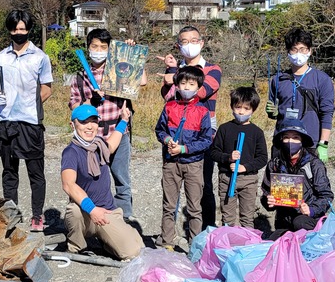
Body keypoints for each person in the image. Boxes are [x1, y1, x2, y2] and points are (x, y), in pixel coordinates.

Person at [69, 28, 147, 220]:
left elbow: (142, 81)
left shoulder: (119, 68)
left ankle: (124, 219)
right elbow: (75, 109)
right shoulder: (80, 77)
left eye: (104, 47)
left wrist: (131, 54)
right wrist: (91, 101)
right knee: (91, 180)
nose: (98, 50)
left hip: (118, 132)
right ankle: (92, 220)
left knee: (122, 179)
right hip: (91, 137)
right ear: (87, 48)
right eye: (94, 46)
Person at [0, 10, 53, 231]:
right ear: (10, 30)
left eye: (23, 29)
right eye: (15, 29)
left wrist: (30, 104)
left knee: (35, 172)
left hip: (30, 122)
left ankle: (37, 216)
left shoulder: (40, 57)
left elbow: (47, 88)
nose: (19, 33)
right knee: (9, 171)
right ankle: (11, 214)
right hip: (6, 121)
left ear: (29, 30)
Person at [159, 25, 223, 226]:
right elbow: (167, 96)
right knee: (172, 186)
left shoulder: (213, 69)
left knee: (203, 185)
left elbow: (202, 91)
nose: (190, 45)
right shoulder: (174, 71)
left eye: (194, 40)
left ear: (202, 43)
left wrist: (175, 75)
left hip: (202, 134)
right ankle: (169, 235)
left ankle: (207, 230)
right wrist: (171, 71)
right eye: (184, 42)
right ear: (178, 46)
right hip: (174, 131)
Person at [60, 104, 143, 260]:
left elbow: (112, 144)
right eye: (84, 122)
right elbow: (68, 185)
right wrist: (92, 209)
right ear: (73, 124)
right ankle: (76, 246)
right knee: (74, 210)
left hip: (107, 212)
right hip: (86, 213)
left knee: (133, 251)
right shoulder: (71, 152)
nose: (90, 126)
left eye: (94, 121)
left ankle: (107, 241)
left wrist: (124, 120)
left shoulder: (99, 145)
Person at [155, 66, 215, 249]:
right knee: (169, 205)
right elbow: (160, 130)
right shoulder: (169, 107)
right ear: (177, 85)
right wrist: (167, 141)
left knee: (194, 208)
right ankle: (167, 242)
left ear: (198, 86)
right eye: (183, 83)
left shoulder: (203, 111)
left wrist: (184, 148)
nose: (187, 87)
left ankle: (195, 245)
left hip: (193, 164)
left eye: (191, 84)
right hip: (171, 163)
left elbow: (206, 140)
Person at [265, 28, 335, 162]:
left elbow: (327, 113)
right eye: (294, 49)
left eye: (303, 49)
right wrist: (271, 113)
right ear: (288, 52)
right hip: (282, 142)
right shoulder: (278, 79)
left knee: (309, 182)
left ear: (310, 51)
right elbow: (274, 112)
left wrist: (323, 144)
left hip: (310, 143)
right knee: (281, 183)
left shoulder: (322, 79)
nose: (299, 53)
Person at [260, 119, 334, 240]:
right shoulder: (274, 165)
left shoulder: (314, 164)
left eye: (295, 138)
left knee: (299, 222)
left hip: (308, 220)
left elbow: (327, 196)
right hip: (284, 222)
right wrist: (269, 202)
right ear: (281, 140)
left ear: (302, 141)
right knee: (272, 243)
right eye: (286, 137)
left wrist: (311, 210)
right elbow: (265, 193)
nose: (290, 141)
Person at [209, 87, 268, 228]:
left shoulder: (257, 132)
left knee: (247, 218)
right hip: (227, 179)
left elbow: (262, 158)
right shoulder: (224, 129)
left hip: (249, 180)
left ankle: (247, 246)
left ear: (253, 110)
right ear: (232, 107)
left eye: (246, 108)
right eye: (238, 107)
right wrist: (228, 158)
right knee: (228, 218)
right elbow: (213, 152)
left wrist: (245, 167)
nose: (241, 112)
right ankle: (228, 245)